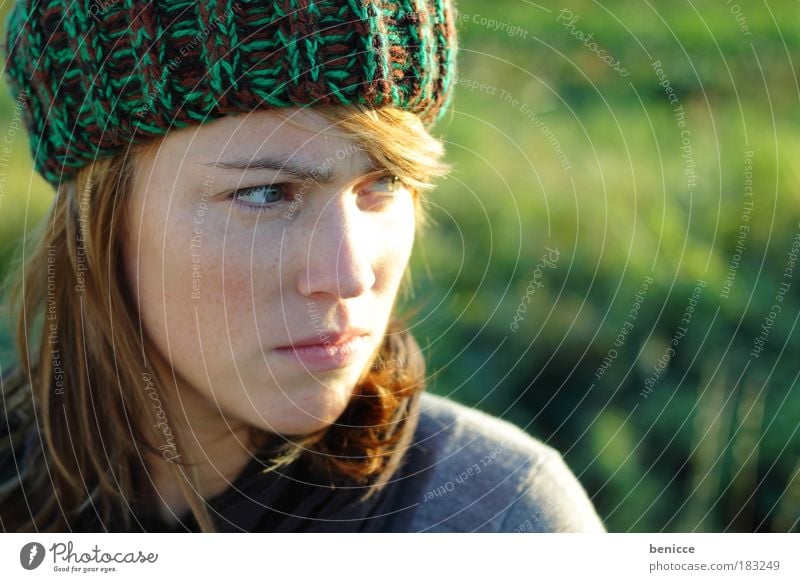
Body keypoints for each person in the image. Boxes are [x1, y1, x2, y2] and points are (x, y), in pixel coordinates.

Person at [0, 0, 605, 533]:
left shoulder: (501, 522)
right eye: (267, 194)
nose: (349, 276)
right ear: (97, 220)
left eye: (383, 183)